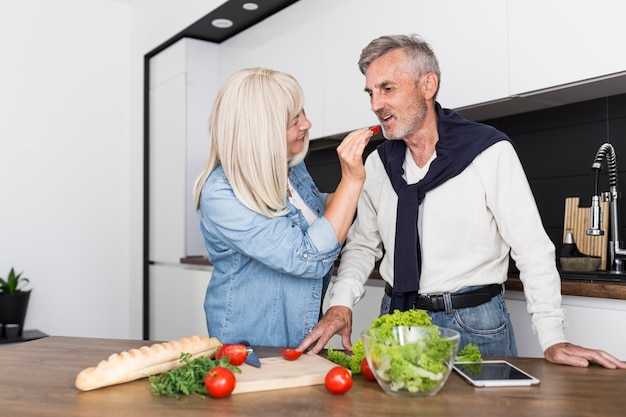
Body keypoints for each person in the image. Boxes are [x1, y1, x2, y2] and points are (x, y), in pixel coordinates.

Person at [298, 34, 625, 369]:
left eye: (387, 89)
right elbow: (363, 246)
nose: (375, 104)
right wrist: (340, 304)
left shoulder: (488, 151)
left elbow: (532, 248)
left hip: (475, 324)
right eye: (370, 92)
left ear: (427, 85)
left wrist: (552, 337)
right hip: (397, 321)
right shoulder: (377, 164)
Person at [193, 67, 374, 348]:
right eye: (294, 119)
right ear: (261, 130)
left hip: (299, 340)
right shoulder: (221, 195)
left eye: (303, 112)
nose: (307, 123)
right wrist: (351, 180)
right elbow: (308, 257)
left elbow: (322, 209)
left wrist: (374, 186)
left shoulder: (290, 168)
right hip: (252, 348)